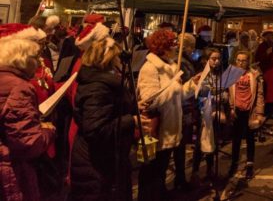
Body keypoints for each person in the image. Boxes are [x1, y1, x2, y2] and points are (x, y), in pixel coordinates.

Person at [69, 37, 143, 200]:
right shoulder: (98, 86)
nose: (120, 61)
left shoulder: (103, 82)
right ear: (108, 60)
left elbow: (109, 109)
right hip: (96, 164)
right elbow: (96, 129)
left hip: (108, 159)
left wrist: (132, 106)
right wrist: (131, 120)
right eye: (117, 57)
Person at [136, 29, 198, 201]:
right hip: (155, 131)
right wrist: (174, 86)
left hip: (168, 129)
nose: (176, 48)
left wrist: (190, 85)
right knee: (150, 173)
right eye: (172, 45)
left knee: (160, 172)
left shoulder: (170, 66)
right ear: (163, 48)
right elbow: (150, 100)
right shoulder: (150, 68)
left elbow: (176, 96)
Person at [0, 36, 56, 201]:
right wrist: (48, 131)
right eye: (35, 57)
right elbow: (29, 143)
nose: (38, 63)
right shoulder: (19, 87)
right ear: (23, 59)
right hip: (11, 169)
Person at [228, 50, 265, 180]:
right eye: (238, 60)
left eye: (243, 60)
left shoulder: (254, 75)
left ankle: (250, 165)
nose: (240, 63)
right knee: (236, 139)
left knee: (250, 138)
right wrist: (230, 108)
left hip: (250, 110)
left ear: (248, 61)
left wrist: (259, 113)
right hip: (236, 110)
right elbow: (228, 93)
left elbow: (260, 95)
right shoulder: (231, 74)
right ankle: (234, 163)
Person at [192, 48, 226, 184]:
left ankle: (210, 170)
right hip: (203, 113)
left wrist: (223, 96)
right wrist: (214, 96)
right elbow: (200, 93)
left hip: (216, 111)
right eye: (213, 59)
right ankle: (195, 172)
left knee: (213, 141)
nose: (217, 61)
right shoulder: (201, 74)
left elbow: (223, 90)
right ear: (206, 60)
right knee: (200, 142)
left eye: (218, 58)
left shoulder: (220, 74)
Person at [171, 33, 197, 191]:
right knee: (179, 145)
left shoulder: (186, 61)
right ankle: (179, 178)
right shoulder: (179, 62)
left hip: (186, 106)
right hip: (182, 107)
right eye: (191, 46)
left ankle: (180, 177)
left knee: (181, 145)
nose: (193, 50)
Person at [256, 28, 273, 118]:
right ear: (266, 37)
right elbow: (258, 58)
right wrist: (266, 54)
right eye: (270, 35)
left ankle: (271, 111)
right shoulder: (262, 46)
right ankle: (266, 112)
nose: (272, 37)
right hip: (266, 71)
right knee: (266, 92)